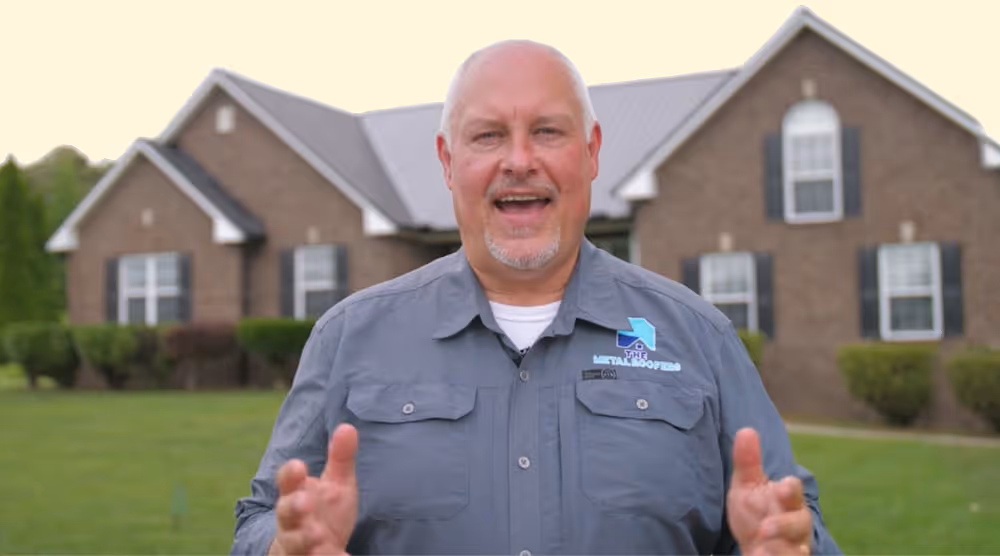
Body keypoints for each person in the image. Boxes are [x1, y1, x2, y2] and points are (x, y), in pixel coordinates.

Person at [231, 40, 841, 556]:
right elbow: (260, 519)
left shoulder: (698, 337)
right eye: (489, 135)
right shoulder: (349, 338)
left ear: (592, 151)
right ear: (448, 161)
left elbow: (791, 519)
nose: (519, 161)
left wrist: (789, 543)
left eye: (547, 132)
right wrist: (283, 545)